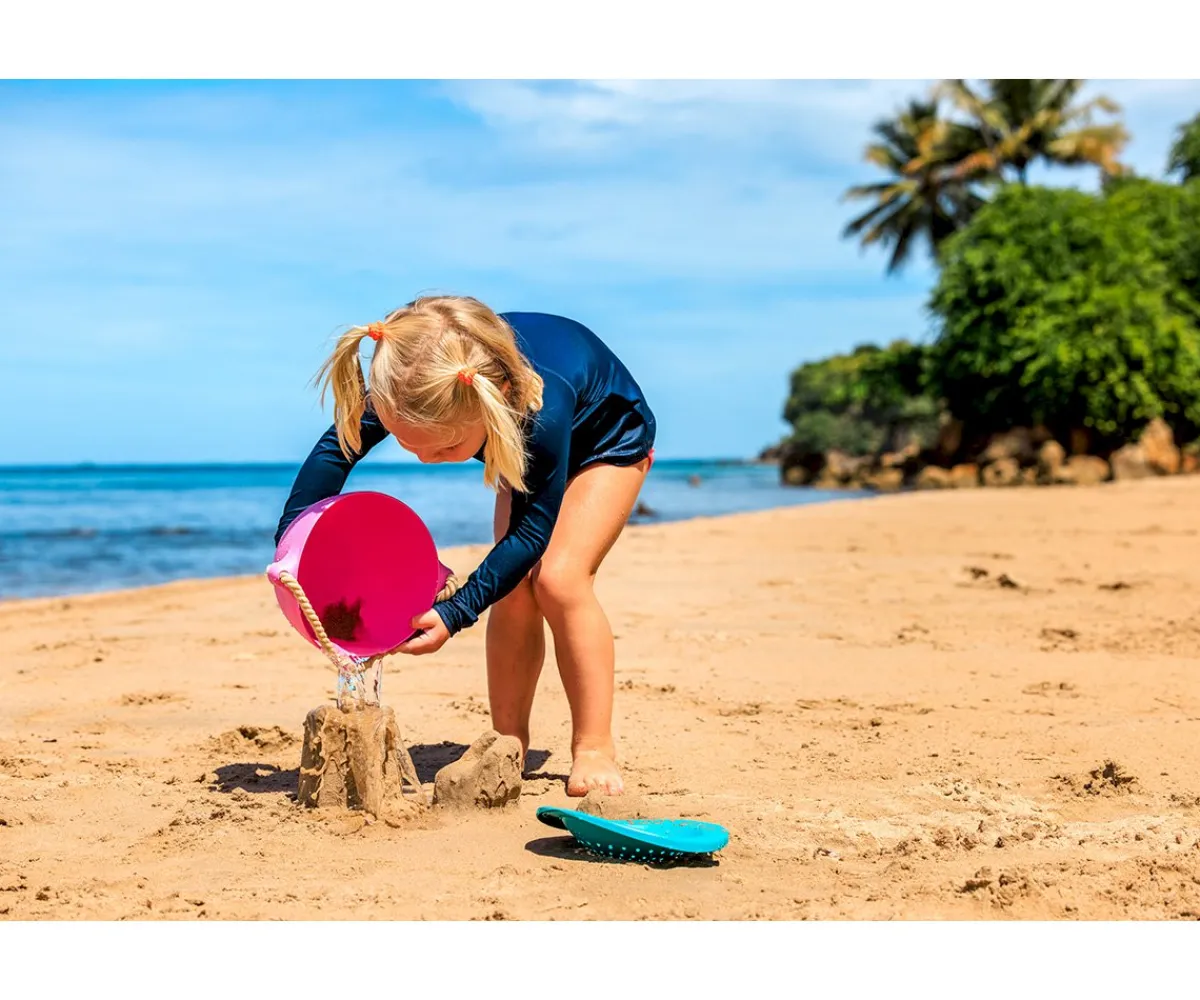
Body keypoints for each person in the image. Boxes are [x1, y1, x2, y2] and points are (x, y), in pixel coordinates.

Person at [276, 296, 656, 796]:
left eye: (447, 448)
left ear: (494, 397)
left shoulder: (531, 407)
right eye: (408, 445)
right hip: (520, 443)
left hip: (606, 441)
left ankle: (593, 747)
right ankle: (508, 742)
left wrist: (455, 612)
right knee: (513, 586)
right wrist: (292, 541)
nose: (425, 460)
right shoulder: (410, 385)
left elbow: (531, 534)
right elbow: (337, 449)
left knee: (559, 578)